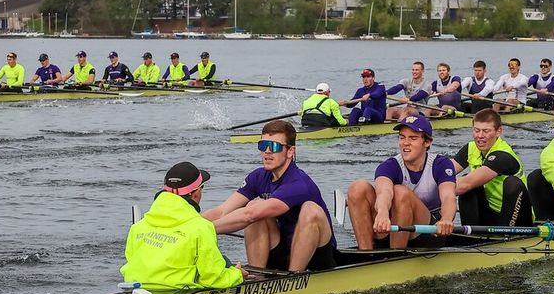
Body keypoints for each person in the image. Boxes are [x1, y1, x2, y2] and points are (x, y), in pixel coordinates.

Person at [202, 120, 337, 272]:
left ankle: (292, 278)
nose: (267, 151)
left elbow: (249, 215)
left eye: (274, 146)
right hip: (282, 250)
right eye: (263, 145)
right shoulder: (258, 177)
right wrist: (186, 225)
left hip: (317, 257)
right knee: (254, 204)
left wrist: (202, 231)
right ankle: (257, 274)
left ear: (290, 151)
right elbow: (222, 211)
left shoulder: (298, 183)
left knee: (310, 209)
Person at [120, 161, 245, 290]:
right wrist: (236, 274)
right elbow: (213, 278)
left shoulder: (139, 226)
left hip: (135, 289)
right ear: (196, 192)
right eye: (202, 187)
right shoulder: (201, 227)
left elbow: (130, 262)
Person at [347, 116, 457, 249]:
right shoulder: (389, 165)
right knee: (357, 188)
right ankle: (365, 253)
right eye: (402, 137)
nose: (405, 143)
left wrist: (446, 219)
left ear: (427, 142)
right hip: (392, 227)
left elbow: (448, 197)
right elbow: (384, 192)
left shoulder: (441, 164)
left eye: (413, 138)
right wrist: (382, 212)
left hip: (429, 233)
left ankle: (396, 254)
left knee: (400, 191)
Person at [451, 109, 532, 226]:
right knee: (464, 182)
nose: (480, 136)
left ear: (498, 131)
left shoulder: (503, 155)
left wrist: (432, 193)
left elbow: (465, 184)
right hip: (490, 213)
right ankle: (470, 235)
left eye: (486, 131)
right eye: (476, 130)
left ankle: (506, 235)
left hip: (518, 217)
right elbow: (445, 172)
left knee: (512, 183)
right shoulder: (470, 148)